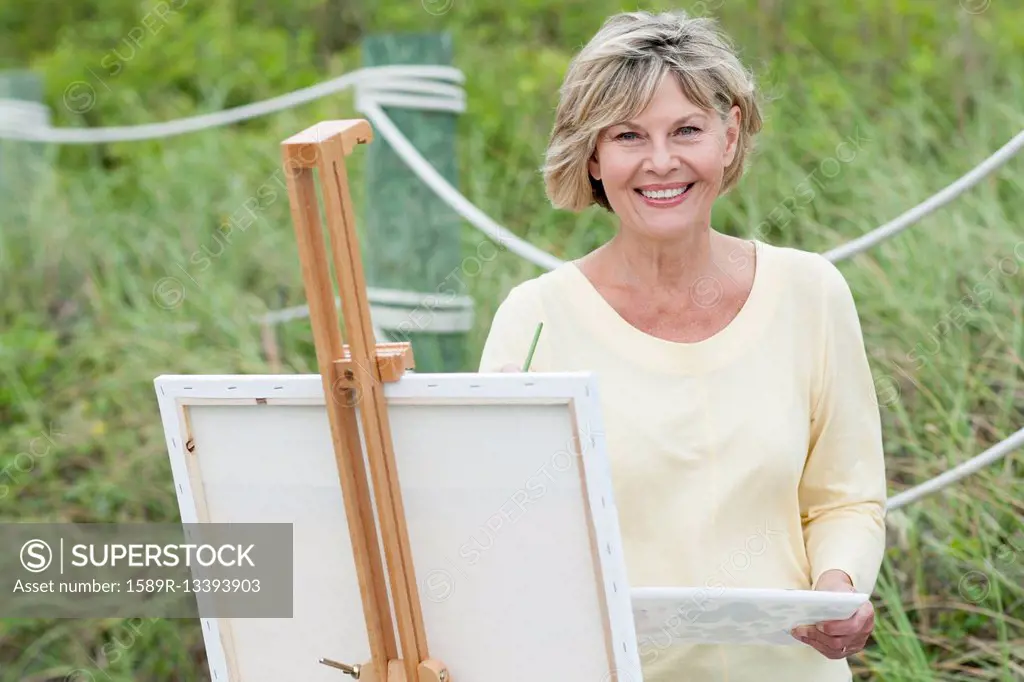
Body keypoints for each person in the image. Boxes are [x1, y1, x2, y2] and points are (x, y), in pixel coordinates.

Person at [477, 9, 887, 682]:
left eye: (687, 130)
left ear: (729, 138)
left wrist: (838, 583)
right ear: (593, 157)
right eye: (629, 135)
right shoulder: (535, 320)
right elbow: (503, 532)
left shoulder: (810, 292)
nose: (661, 161)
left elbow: (845, 498)